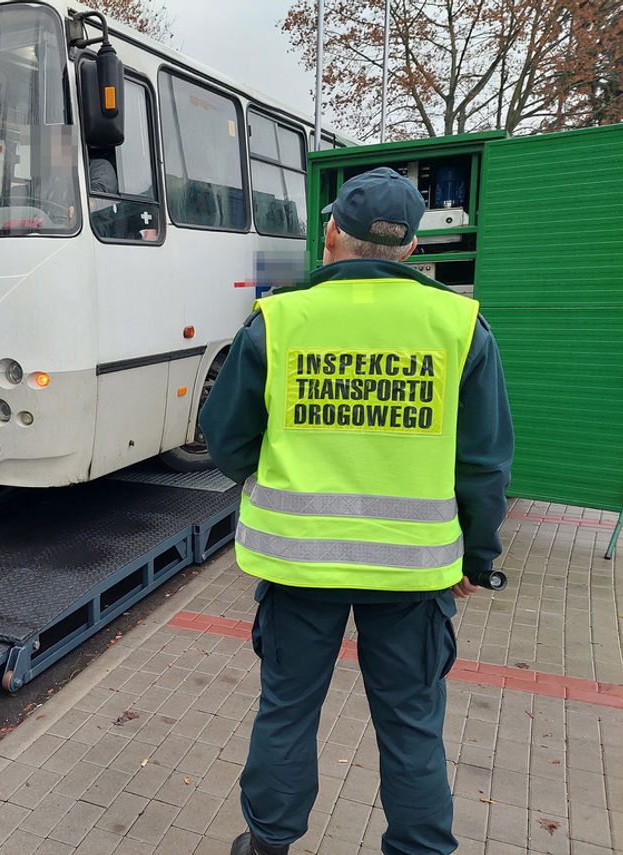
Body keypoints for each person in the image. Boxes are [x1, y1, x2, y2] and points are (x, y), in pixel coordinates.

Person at [200, 167, 513, 855]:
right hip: (413, 574)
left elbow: (224, 440)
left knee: (286, 711)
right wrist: (479, 556)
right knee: (411, 722)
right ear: (410, 247)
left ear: (332, 230)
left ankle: (268, 844)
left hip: (299, 563)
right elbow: (485, 465)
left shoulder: (280, 319)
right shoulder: (459, 325)